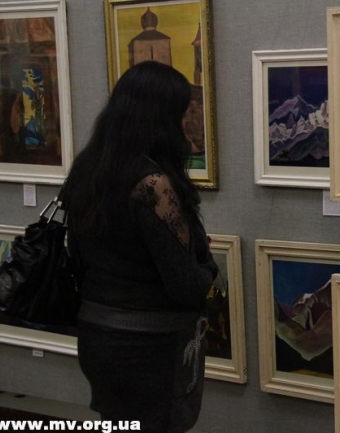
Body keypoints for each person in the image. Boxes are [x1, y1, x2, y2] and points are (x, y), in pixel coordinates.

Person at [63, 60, 218, 433]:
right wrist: (208, 268)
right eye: (182, 112)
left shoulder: (88, 169)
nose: (187, 121)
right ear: (161, 118)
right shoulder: (152, 184)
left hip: (97, 335)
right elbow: (185, 286)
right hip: (149, 346)